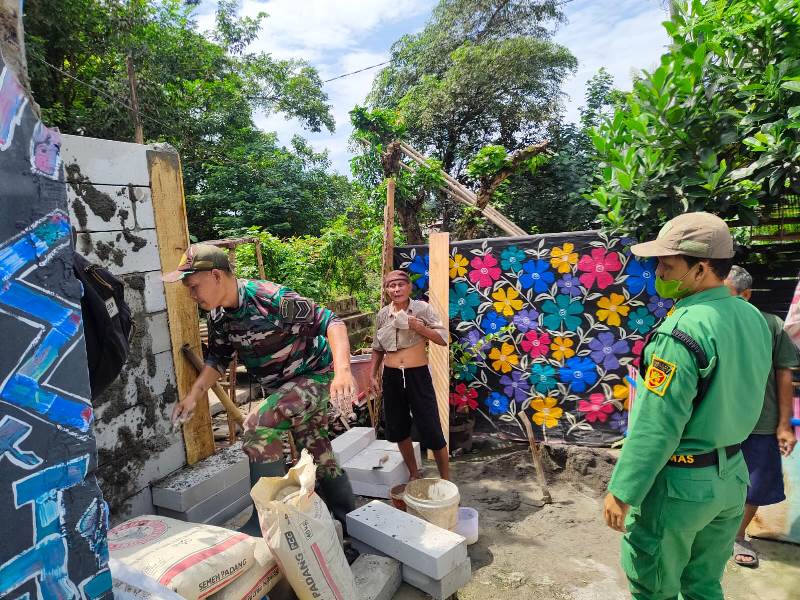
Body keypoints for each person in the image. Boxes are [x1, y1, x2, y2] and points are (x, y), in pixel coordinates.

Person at [603, 212, 772, 600]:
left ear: (701, 268)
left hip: (681, 486)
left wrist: (622, 490)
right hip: (731, 479)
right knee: (704, 584)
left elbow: (656, 427)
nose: (658, 271)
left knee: (654, 586)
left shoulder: (680, 333)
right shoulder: (750, 316)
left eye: (667, 264)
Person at [164, 244, 357, 535]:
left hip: (315, 376)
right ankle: (349, 522)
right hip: (283, 387)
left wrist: (343, 372)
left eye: (194, 287)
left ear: (216, 275)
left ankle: (267, 519)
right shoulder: (217, 316)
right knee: (317, 451)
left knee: (258, 425)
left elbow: (332, 322)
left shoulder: (272, 299)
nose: (192, 295)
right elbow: (218, 358)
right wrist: (193, 396)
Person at [724, 265, 798, 567]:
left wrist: (784, 425)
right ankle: (709, 533)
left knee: (755, 484)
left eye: (729, 296)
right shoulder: (708, 322)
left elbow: (784, 374)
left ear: (747, 295)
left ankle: (737, 535)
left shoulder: (772, 326)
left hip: (760, 423)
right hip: (717, 423)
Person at [369, 270, 450, 480]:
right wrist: (373, 375)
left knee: (431, 428)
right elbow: (377, 348)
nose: (396, 289)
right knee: (399, 427)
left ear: (409, 287)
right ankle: (414, 473)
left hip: (417, 375)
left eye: (400, 284)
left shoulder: (422, 309)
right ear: (387, 290)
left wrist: (418, 327)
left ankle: (446, 480)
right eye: (391, 286)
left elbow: (442, 339)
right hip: (392, 376)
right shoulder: (382, 315)